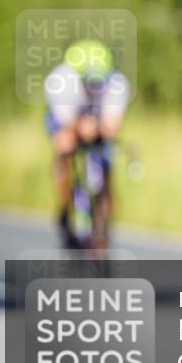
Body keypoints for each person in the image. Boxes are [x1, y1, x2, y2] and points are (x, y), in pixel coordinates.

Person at [45, 39, 130, 248]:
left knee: (106, 159)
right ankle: (65, 208)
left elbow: (112, 124)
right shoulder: (60, 81)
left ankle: (103, 222)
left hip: (97, 119)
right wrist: (79, 126)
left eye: (99, 82)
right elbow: (65, 122)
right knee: (65, 146)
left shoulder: (118, 83)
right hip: (69, 118)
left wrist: (102, 128)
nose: (94, 87)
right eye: (89, 82)